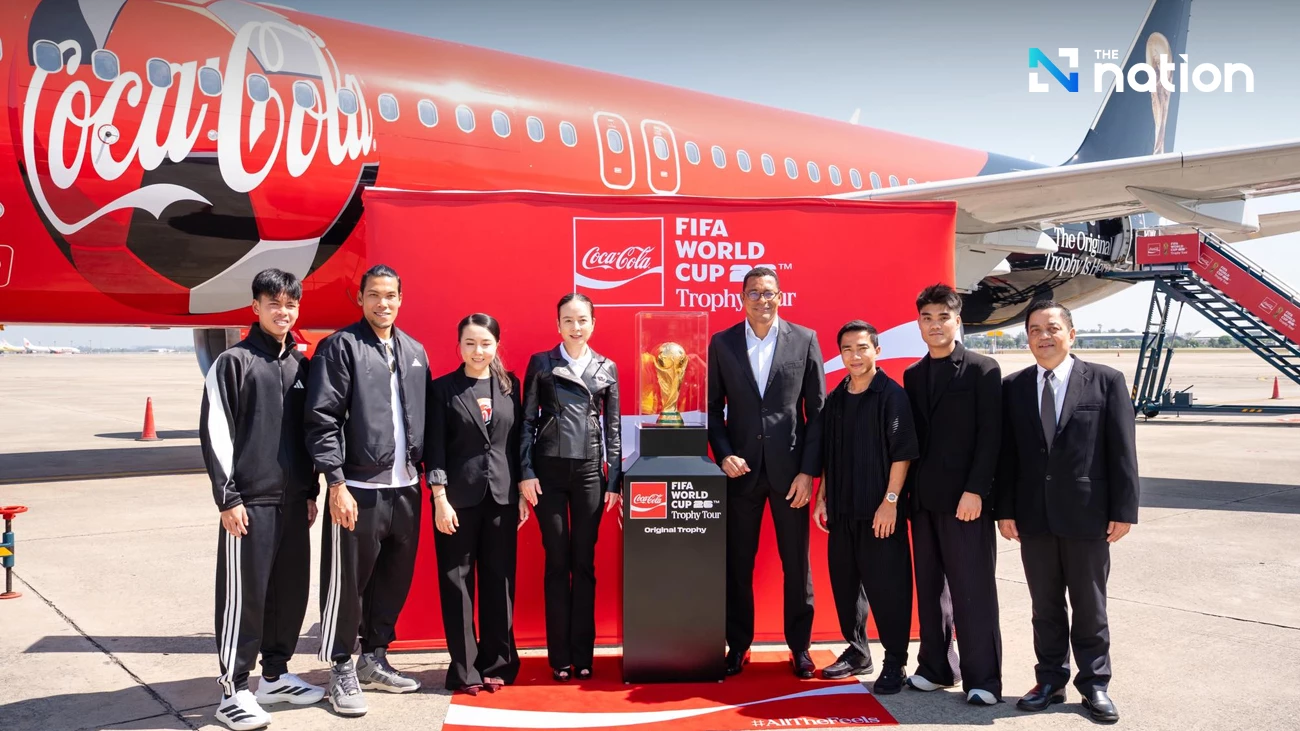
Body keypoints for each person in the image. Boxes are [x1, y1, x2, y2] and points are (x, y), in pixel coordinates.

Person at [996, 300, 1139, 724]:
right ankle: (1049, 680)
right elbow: (1007, 456)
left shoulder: (1106, 381)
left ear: (1071, 334)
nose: (1044, 336)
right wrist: (1005, 509)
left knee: (1090, 606)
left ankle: (1094, 684)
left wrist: (1124, 509)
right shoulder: (1014, 387)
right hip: (1033, 516)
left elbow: (1122, 450)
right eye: (1035, 329)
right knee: (1045, 606)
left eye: (1052, 328)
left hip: (1087, 515)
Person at [201, 268, 324, 731]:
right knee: (245, 597)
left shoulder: (300, 366)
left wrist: (310, 491)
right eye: (274, 303)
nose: (283, 312)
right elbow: (216, 431)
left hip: (293, 504)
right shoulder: (233, 363)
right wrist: (227, 497)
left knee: (288, 594)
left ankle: (274, 676)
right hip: (248, 504)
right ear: (255, 307)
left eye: (290, 304)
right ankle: (233, 690)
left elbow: (308, 435)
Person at [305, 264, 428, 717]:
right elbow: (321, 420)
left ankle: (374, 659)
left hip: (406, 488)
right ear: (360, 299)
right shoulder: (340, 347)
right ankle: (341, 665)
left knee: (391, 581)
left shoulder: (414, 350)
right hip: (357, 488)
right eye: (374, 294)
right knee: (348, 585)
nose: (383, 303)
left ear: (401, 299)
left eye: (391, 295)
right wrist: (335, 483)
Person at [706, 266, 826, 679]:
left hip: (791, 475)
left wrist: (808, 472)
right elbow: (713, 410)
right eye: (754, 293)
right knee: (738, 564)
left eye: (769, 292)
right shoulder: (722, 343)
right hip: (741, 474)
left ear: (780, 296)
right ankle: (738, 645)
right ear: (742, 299)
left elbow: (817, 413)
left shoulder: (805, 339)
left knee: (797, 566)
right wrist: (724, 455)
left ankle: (801, 647)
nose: (762, 299)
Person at [901, 284, 1004, 705]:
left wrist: (976, 490)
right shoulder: (912, 375)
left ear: (957, 321)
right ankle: (937, 667)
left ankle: (984, 679)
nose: (935, 325)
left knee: (972, 590)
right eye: (927, 318)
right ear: (919, 324)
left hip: (966, 502)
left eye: (943, 317)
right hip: (923, 502)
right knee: (930, 591)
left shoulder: (982, 369)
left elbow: (991, 437)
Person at [519, 293, 622, 682]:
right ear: (557, 325)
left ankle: (583, 655)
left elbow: (613, 429)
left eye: (582, 320)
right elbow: (527, 421)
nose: (575, 327)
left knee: (584, 562)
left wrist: (614, 480)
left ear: (593, 323)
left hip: (589, 474)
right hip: (547, 474)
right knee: (557, 561)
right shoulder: (542, 363)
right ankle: (559, 658)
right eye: (568, 320)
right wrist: (526, 471)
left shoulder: (607, 368)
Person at [812, 321, 918, 695]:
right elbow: (829, 454)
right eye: (847, 349)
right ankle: (858, 652)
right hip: (842, 511)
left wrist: (890, 502)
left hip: (879, 514)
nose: (854, 356)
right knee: (845, 587)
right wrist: (822, 496)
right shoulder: (836, 398)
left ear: (876, 350)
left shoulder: (891, 395)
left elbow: (903, 453)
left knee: (888, 589)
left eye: (862, 348)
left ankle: (895, 661)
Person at [426, 313, 528, 696]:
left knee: (500, 581)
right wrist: (439, 498)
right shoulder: (443, 389)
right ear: (459, 346)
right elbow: (434, 448)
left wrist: (521, 494)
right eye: (470, 343)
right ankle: (465, 669)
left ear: (496, 345)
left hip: (502, 497)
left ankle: (498, 663)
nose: (478, 350)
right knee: (457, 583)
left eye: (485, 343)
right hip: (456, 501)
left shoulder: (509, 385)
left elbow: (517, 444)